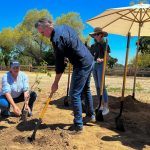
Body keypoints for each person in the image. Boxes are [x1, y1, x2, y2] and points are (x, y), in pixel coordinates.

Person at [35, 18, 95, 132]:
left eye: (42, 32)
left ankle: (78, 125)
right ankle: (90, 115)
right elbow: (72, 43)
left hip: (81, 63)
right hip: (89, 59)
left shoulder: (57, 40)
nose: (42, 35)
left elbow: (59, 65)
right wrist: (68, 54)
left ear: (48, 27)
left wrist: (55, 83)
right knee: (85, 89)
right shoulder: (64, 26)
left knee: (74, 94)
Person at [89, 27, 110, 115]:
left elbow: (107, 57)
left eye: (97, 34)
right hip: (94, 66)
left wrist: (102, 59)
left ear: (101, 35)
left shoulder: (105, 45)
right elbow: (91, 56)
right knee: (97, 86)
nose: (95, 36)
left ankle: (106, 106)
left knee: (102, 86)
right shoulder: (93, 46)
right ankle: (100, 104)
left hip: (101, 65)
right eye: (94, 34)